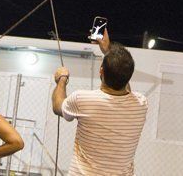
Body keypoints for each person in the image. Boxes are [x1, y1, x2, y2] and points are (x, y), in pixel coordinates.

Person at [52, 29, 148, 176]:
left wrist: (62, 79)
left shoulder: (82, 100)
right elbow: (125, 86)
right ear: (129, 77)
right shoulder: (141, 104)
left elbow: (58, 106)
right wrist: (107, 50)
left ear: (101, 71)